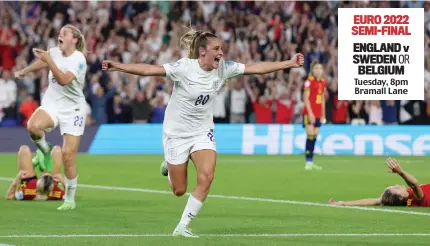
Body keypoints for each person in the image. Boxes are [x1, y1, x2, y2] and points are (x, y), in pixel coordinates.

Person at [102, 26, 304, 237]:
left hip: (202, 131)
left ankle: (182, 226)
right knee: (179, 190)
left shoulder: (224, 68)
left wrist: (288, 63)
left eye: (222, 49)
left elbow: (257, 68)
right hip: (176, 133)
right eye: (216, 49)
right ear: (202, 52)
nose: (221, 53)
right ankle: (169, 168)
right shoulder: (184, 68)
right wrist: (118, 67)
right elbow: (149, 70)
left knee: (207, 176)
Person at [14, 24, 88, 210]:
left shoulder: (79, 60)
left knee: (68, 156)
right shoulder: (54, 52)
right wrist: (26, 71)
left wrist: (49, 59)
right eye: (60, 32)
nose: (59, 35)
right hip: (53, 103)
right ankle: (45, 150)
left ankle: (70, 199)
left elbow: (63, 79)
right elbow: (44, 62)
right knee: (33, 126)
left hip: (73, 110)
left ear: (75, 40)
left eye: (64, 33)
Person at [329, 158, 430, 207]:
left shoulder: (406, 197)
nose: (397, 185)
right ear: (400, 197)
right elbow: (414, 183)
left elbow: (372, 201)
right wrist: (400, 172)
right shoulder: (416, 198)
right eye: (396, 188)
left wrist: (343, 203)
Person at [302, 60, 326, 170]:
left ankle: (311, 162)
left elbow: (322, 99)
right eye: (316, 68)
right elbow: (306, 98)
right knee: (310, 134)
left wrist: (323, 115)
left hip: (318, 113)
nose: (318, 70)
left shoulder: (322, 82)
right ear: (312, 70)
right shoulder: (309, 81)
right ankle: (308, 162)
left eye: (320, 68)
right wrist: (310, 113)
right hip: (309, 113)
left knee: (315, 135)